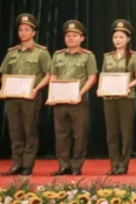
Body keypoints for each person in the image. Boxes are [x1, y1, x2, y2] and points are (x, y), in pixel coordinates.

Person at [0, 13, 51, 176]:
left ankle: (27, 165)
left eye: (27, 30)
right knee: (15, 132)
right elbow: (4, 73)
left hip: (31, 97)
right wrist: (6, 87)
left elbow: (48, 75)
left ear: (33, 32)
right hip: (13, 97)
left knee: (29, 131)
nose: (23, 33)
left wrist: (36, 89)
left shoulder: (41, 52)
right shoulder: (12, 53)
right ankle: (16, 164)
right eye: (20, 30)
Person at [48, 19, 98, 176]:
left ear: (82, 38)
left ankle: (76, 165)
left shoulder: (88, 56)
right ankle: (64, 165)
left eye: (74, 35)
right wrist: (52, 94)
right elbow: (53, 76)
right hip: (60, 101)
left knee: (79, 135)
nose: (70, 38)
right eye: (68, 35)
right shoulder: (57, 55)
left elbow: (92, 77)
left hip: (78, 101)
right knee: (61, 135)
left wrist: (80, 93)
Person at [102, 19, 136, 175]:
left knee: (126, 133)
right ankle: (114, 164)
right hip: (109, 98)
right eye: (115, 37)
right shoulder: (107, 57)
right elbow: (103, 76)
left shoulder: (134, 57)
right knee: (111, 133)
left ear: (128, 39)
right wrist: (101, 89)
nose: (117, 40)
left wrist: (128, 86)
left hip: (127, 98)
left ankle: (123, 165)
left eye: (121, 37)